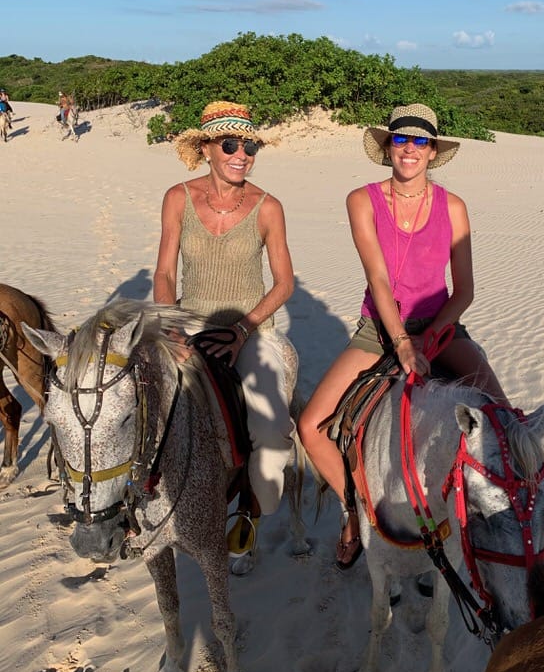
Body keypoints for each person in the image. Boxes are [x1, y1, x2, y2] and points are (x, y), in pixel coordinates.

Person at [298, 103, 509, 570]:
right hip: (380, 329)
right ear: (388, 147)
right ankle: (355, 509)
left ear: (432, 151)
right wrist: (400, 342)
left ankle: (497, 519)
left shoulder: (453, 207)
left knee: (504, 418)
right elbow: (377, 276)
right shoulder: (362, 199)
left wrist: (429, 338)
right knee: (311, 427)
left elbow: (464, 290)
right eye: (400, 139)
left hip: (441, 328)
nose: (409, 149)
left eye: (419, 141)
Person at [153, 100, 296, 575]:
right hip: (188, 325)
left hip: (250, 330)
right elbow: (164, 273)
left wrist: (243, 328)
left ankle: (252, 512)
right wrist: (170, 328)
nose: (242, 155)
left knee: (270, 429)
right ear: (206, 149)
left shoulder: (268, 207)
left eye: (250, 147)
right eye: (231, 145)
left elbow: (283, 284)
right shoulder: (178, 198)